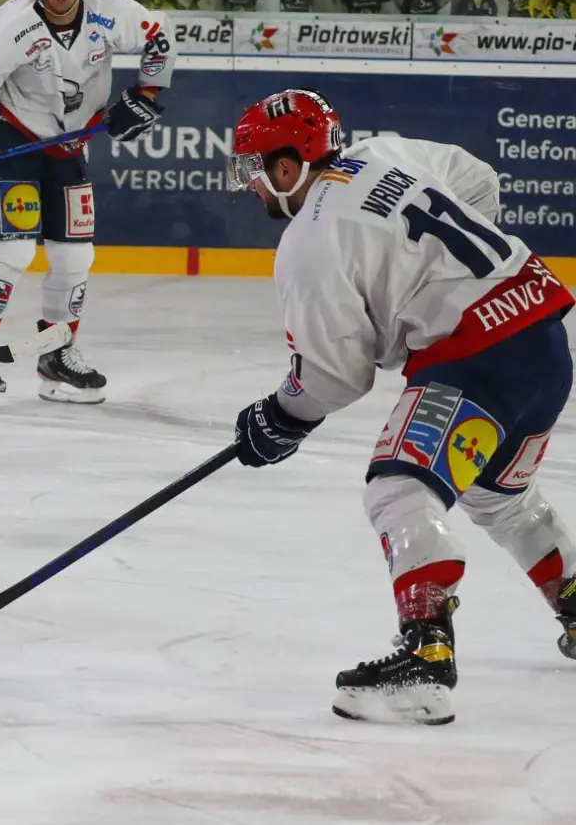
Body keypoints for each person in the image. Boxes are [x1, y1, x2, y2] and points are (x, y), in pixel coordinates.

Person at [227, 89, 576, 725]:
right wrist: (445, 273)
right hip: (543, 338)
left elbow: (335, 376)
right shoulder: (382, 153)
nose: (250, 184)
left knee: (399, 487)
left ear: (287, 166)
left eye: (254, 168)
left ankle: (425, 659)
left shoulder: (309, 242)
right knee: (498, 496)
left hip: (478, 360)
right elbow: (478, 178)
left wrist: (281, 416)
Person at [0, 0, 174, 409]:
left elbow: (161, 34)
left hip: (69, 147)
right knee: (14, 250)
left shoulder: (111, 14)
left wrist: (148, 94)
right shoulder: (14, 23)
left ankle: (56, 355)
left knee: (75, 257)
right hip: (12, 140)